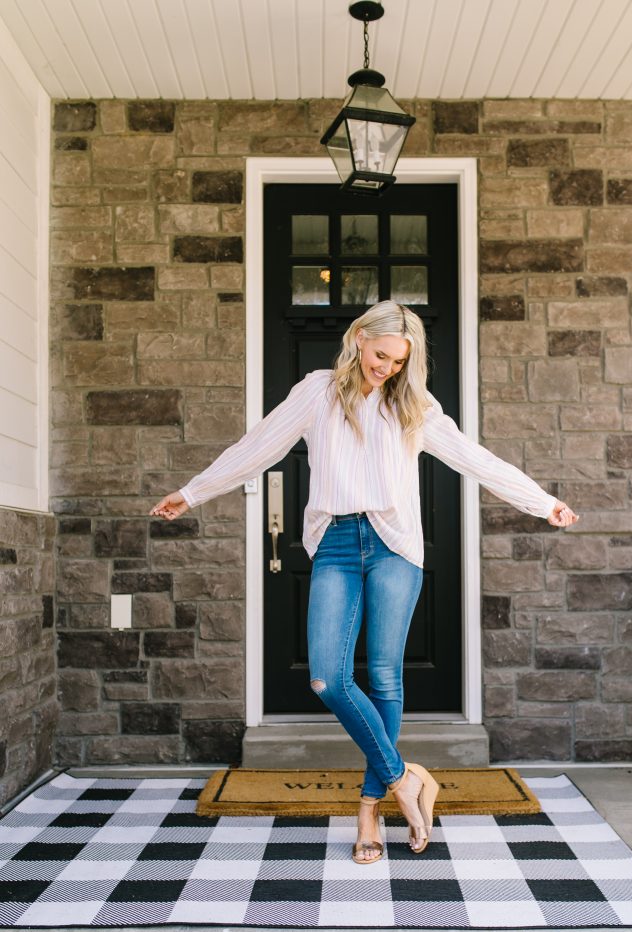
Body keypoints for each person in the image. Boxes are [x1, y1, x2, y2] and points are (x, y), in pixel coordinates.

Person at [149, 300, 578, 866]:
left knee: (383, 675)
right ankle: (406, 778)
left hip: (395, 546)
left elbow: (477, 460)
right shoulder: (317, 392)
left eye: (399, 362)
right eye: (381, 356)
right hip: (335, 544)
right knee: (327, 678)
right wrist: (194, 491)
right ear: (358, 339)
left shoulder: (413, 406)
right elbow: (258, 447)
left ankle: (369, 808)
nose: (387, 369)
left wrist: (541, 502)